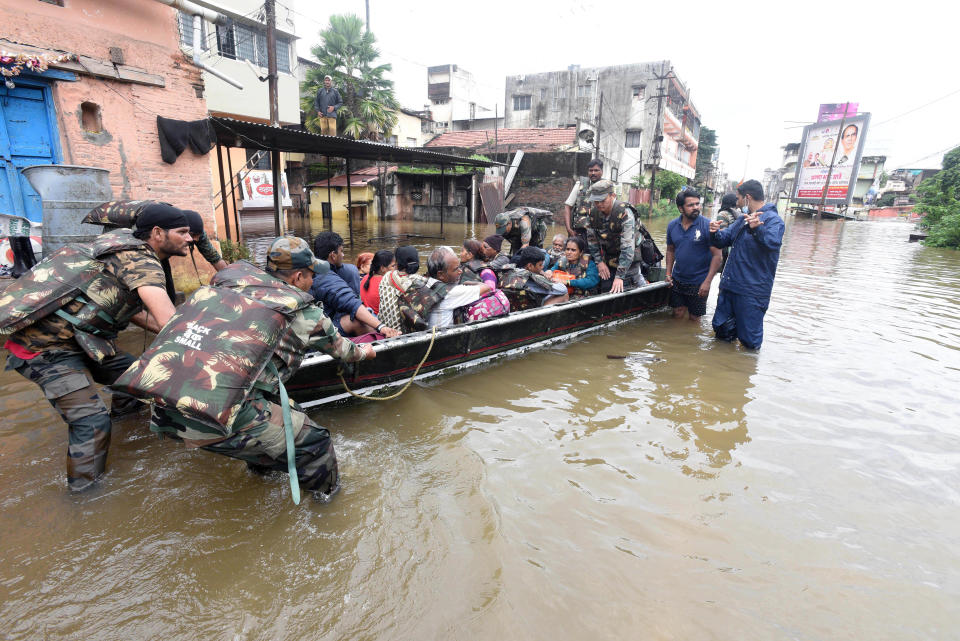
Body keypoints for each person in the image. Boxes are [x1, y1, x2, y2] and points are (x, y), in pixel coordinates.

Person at [122, 237, 375, 500]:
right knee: (317, 443)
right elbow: (346, 351)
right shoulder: (306, 315)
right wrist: (366, 352)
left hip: (166, 405)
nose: (313, 283)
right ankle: (330, 505)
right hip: (216, 413)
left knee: (289, 412)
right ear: (299, 276)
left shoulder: (228, 288)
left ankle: (260, 471)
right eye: (311, 276)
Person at [0, 203, 190, 491]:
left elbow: (129, 309)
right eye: (183, 232)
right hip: (45, 348)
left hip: (83, 339)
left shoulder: (124, 250)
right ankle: (84, 495)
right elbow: (169, 320)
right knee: (91, 421)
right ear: (157, 233)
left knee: (136, 377)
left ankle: (125, 423)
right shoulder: (142, 261)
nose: (190, 238)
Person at [709, 179, 785, 349]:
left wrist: (757, 229)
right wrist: (714, 232)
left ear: (747, 198)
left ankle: (744, 373)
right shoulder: (743, 219)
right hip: (730, 287)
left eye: (739, 198)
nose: (737, 202)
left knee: (749, 341)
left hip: (752, 291)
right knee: (722, 333)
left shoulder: (774, 221)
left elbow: (772, 243)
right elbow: (724, 239)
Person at [310, 255, 400, 339]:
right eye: (393, 266)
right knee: (357, 320)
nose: (343, 255)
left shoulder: (365, 278)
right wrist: (381, 327)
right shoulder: (325, 278)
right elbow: (351, 302)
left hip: (333, 320)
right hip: (326, 330)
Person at [665, 188, 722, 321]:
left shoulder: (708, 225)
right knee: (677, 314)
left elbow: (717, 256)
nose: (696, 207)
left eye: (697, 204)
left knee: (694, 319)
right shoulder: (672, 225)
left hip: (699, 281)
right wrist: (668, 274)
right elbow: (670, 250)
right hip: (677, 279)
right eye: (691, 205)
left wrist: (707, 282)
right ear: (681, 209)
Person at [584, 179, 643, 293]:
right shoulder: (593, 213)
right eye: (596, 201)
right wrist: (599, 262)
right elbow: (592, 241)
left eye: (602, 200)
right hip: (609, 258)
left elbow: (627, 247)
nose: (599, 204)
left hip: (629, 260)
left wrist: (620, 276)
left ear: (613, 195)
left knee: (630, 288)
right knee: (606, 290)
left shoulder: (625, 212)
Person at [422, 246, 493, 328]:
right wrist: (469, 282)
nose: (460, 271)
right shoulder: (451, 292)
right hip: (442, 338)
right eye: (456, 269)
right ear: (440, 275)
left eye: (459, 266)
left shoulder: (426, 282)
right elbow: (487, 288)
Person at [500, 246, 569, 309]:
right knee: (564, 295)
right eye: (540, 265)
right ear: (530, 266)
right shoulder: (531, 277)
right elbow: (563, 290)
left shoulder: (509, 269)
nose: (542, 267)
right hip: (526, 311)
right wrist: (553, 280)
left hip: (511, 307)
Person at [378, 245, 423, 332]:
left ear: (397, 263)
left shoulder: (387, 275)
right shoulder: (420, 282)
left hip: (384, 329)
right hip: (402, 333)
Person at [563, 158, 604, 239]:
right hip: (579, 232)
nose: (593, 173)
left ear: (602, 171)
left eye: (596, 170)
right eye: (590, 170)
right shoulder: (580, 184)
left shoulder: (606, 186)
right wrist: (568, 229)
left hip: (598, 233)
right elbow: (567, 206)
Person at [313, 231, 361, 295]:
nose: (343, 255)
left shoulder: (305, 272)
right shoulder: (350, 271)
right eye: (341, 251)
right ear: (333, 255)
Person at [359, 249, 394, 314]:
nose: (396, 268)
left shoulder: (365, 278)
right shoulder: (386, 283)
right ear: (382, 268)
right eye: (393, 266)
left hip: (366, 315)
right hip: (378, 319)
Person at [713, 192, 740, 273]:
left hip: (726, 250)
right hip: (736, 250)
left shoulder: (723, 214)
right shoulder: (739, 213)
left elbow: (722, 234)